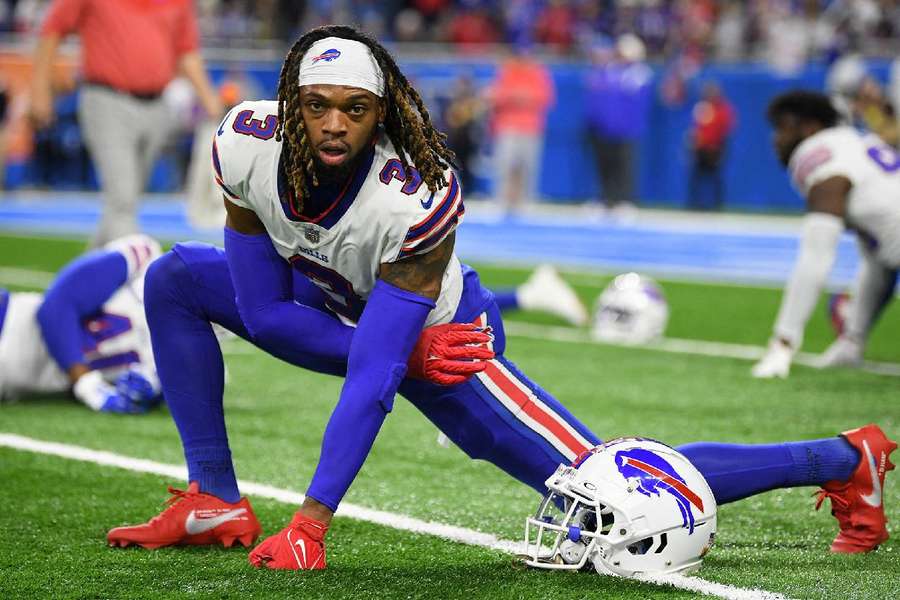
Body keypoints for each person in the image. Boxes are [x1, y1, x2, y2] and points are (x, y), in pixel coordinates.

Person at [107, 27, 895, 568]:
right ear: (290, 103)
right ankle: (214, 497)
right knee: (175, 278)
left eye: (355, 108)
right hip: (338, 316)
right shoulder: (244, 142)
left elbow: (378, 376)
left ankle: (840, 458)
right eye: (317, 106)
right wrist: (381, 348)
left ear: (384, 112)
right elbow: (267, 311)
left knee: (608, 493)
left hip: (445, 339)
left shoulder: (413, 194)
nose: (333, 126)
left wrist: (312, 521)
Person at [28, 0, 223, 248]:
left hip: (157, 105)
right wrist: (39, 90)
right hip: (106, 99)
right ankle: (135, 276)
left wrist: (209, 98)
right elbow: (52, 30)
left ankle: (88, 279)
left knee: (122, 204)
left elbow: (186, 51)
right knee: (122, 199)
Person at [753, 90, 900, 379]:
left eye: (783, 127)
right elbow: (881, 257)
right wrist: (852, 339)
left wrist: (783, 341)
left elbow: (816, 256)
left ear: (809, 128)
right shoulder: (858, 143)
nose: (776, 139)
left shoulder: (820, 156)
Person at [0, 235, 163, 413]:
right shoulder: (148, 262)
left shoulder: (186, 360)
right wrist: (86, 383)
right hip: (9, 321)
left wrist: (147, 393)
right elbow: (57, 307)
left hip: (13, 382)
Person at [584, 34, 653, 211]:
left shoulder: (639, 73)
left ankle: (625, 201)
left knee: (624, 167)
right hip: (604, 129)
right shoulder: (608, 71)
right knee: (605, 166)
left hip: (626, 129)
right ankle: (605, 200)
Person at [487, 44, 555, 215]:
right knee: (505, 165)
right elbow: (497, 95)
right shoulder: (507, 72)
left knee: (528, 166)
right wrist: (518, 96)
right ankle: (502, 201)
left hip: (531, 127)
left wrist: (517, 96)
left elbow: (545, 98)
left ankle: (525, 202)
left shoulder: (539, 73)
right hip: (507, 126)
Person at [687, 81, 735, 210]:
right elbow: (696, 128)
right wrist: (693, 143)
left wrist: (719, 147)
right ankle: (694, 204)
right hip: (700, 148)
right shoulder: (701, 107)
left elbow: (726, 129)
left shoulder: (724, 109)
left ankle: (717, 205)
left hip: (715, 149)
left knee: (715, 178)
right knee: (696, 177)